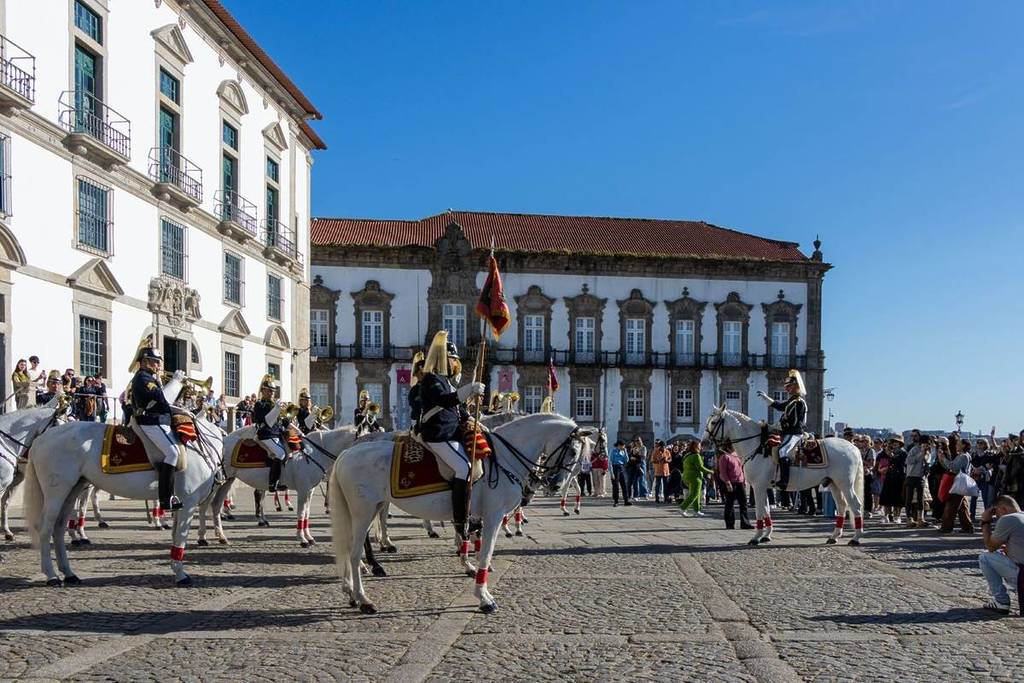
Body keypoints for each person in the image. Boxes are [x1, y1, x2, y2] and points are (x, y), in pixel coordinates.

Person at [413, 331, 485, 540]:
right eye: (453, 359)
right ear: (444, 359)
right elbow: (445, 401)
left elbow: (456, 410)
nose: (456, 363)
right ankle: (461, 519)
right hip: (437, 434)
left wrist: (473, 420)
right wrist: (468, 389)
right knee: (464, 467)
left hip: (450, 434)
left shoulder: (445, 380)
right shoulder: (431, 379)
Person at [130, 347, 182, 511]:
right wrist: (175, 382)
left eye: (159, 362)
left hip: (160, 419)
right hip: (150, 421)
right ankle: (166, 498)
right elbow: (163, 398)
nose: (159, 366)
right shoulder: (142, 378)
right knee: (173, 453)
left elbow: (166, 402)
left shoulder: (151, 377)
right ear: (145, 362)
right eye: (155, 362)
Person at [756, 369, 807, 492]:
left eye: (789, 386)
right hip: (788, 431)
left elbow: (794, 422)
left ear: (795, 387)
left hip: (795, 433)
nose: (786, 389)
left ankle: (784, 481)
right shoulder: (791, 401)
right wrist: (766, 398)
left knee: (783, 451)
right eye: (786, 386)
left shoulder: (799, 402)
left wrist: (779, 426)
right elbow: (779, 406)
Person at [978, 495, 1024, 614]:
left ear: (1003, 509)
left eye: (996, 513)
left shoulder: (1008, 518)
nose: (997, 517)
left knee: (985, 557)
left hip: (1021, 575)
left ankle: (1001, 602)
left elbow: (991, 546)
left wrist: (985, 522)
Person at [252, 375, 288, 492]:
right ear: (263, 391)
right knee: (281, 453)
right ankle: (273, 483)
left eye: (273, 391)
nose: (271, 393)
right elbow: (267, 422)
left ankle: (283, 479)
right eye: (269, 390)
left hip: (276, 434)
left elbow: (281, 421)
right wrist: (277, 408)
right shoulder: (259, 404)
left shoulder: (273, 404)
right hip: (266, 434)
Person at [940, 439, 975, 534]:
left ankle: (946, 527)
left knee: (951, 506)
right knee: (963, 508)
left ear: (963, 445)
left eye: (958, 444)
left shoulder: (963, 456)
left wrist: (944, 459)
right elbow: (950, 466)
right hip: (960, 483)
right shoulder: (962, 456)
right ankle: (967, 527)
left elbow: (954, 467)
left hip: (958, 483)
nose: (956, 445)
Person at [717, 439, 753, 529]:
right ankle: (730, 523)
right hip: (730, 483)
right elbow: (723, 472)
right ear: (729, 446)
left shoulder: (737, 455)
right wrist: (727, 482)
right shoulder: (724, 457)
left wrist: (744, 480)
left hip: (740, 482)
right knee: (730, 503)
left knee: (743, 503)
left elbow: (741, 469)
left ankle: (745, 523)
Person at [679, 440, 715, 517]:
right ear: (696, 447)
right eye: (699, 446)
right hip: (695, 477)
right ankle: (683, 508)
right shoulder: (696, 456)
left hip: (686, 476)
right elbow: (700, 468)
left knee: (697, 494)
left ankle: (696, 510)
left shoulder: (687, 455)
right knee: (694, 494)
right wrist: (711, 472)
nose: (700, 447)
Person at [610, 440, 631, 506]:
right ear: (619, 445)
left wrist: (625, 452)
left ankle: (626, 500)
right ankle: (616, 501)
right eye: (622, 446)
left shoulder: (623, 451)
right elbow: (610, 462)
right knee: (616, 486)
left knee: (624, 485)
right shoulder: (613, 451)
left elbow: (626, 461)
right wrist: (611, 473)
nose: (623, 447)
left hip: (622, 468)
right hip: (615, 468)